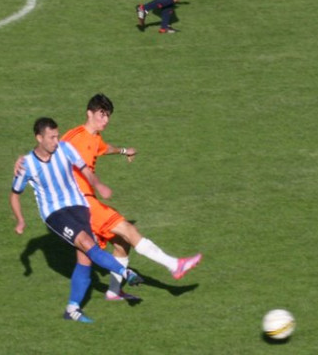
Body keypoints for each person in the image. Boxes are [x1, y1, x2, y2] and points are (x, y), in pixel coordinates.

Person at [15, 95, 202, 301]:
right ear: (89, 113)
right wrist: (22, 160)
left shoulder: (96, 139)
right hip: (82, 202)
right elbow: (48, 147)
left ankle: (113, 292)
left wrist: (124, 151)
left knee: (122, 243)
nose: (105, 120)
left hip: (88, 201)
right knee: (128, 230)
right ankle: (174, 265)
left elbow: (104, 148)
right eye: (101, 115)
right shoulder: (74, 137)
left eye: (108, 116)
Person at [10, 117, 143, 323]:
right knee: (87, 243)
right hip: (55, 213)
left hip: (79, 207)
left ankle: (72, 310)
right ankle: (126, 273)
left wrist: (99, 186)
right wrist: (20, 220)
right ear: (39, 138)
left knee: (85, 258)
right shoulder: (27, 164)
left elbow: (86, 170)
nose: (56, 141)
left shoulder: (65, 149)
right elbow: (15, 195)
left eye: (57, 135)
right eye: (51, 137)